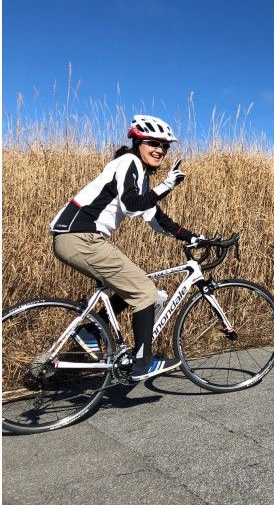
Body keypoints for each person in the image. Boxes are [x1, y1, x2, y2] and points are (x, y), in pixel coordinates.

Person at [50, 114, 201, 381]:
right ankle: (143, 363)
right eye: (153, 143)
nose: (160, 150)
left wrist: (192, 237)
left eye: (165, 146)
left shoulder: (138, 174)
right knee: (146, 294)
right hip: (79, 237)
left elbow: (155, 217)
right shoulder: (128, 162)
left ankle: (91, 333)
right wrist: (167, 185)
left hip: (77, 238)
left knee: (134, 283)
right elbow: (132, 205)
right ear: (138, 142)